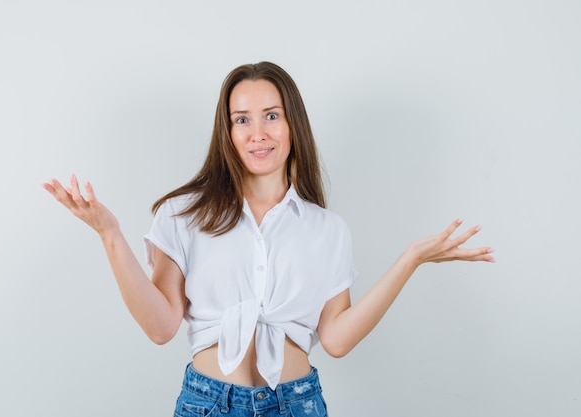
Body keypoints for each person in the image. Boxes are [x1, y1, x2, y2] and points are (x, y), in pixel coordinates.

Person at [43, 61, 494, 416]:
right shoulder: (183, 215)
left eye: (271, 116)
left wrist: (410, 259)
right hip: (209, 405)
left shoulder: (326, 229)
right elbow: (161, 325)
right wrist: (110, 234)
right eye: (242, 119)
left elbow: (335, 339)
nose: (257, 133)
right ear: (228, 132)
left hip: (298, 404)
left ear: (292, 124)